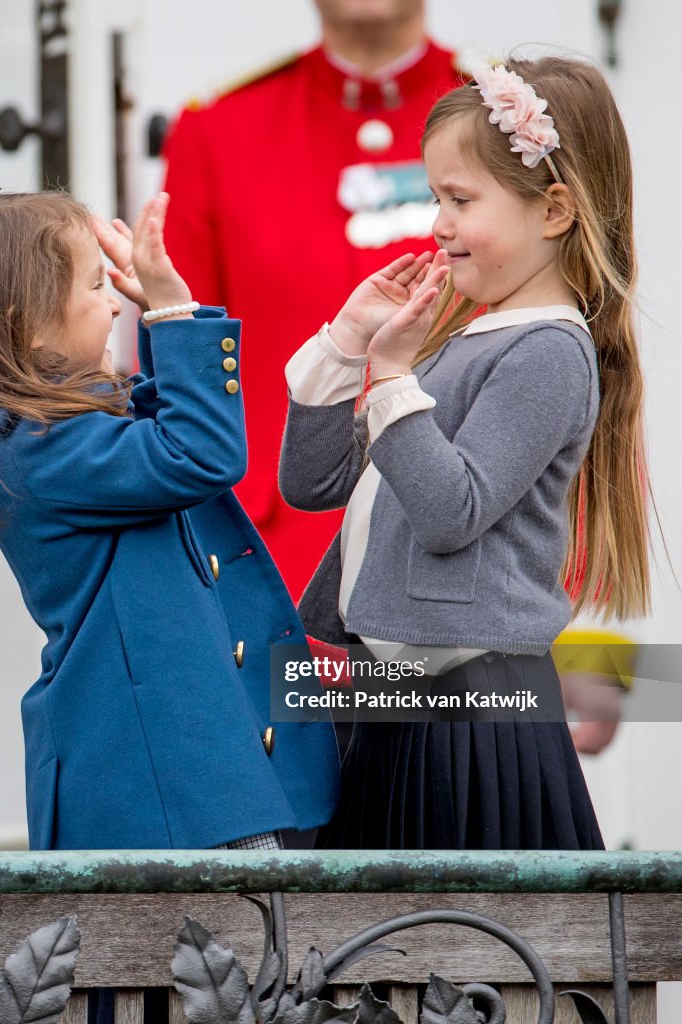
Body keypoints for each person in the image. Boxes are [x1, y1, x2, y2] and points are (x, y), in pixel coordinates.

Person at [0, 183, 339, 850]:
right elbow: (199, 452)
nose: (116, 302)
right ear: (23, 319)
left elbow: (168, 424)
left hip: (200, 773)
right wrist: (171, 313)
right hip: (174, 785)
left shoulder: (57, 432)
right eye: (94, 286)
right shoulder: (34, 445)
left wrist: (176, 317)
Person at [278, 56, 652, 849]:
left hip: (472, 712)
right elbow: (313, 484)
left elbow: (453, 513)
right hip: (398, 696)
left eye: (460, 199)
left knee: (452, 953)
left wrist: (390, 378)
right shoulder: (458, 343)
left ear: (553, 210)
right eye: (435, 196)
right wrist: (349, 346)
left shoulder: (550, 352)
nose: (438, 223)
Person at [162, 0, 461, 600]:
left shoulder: (508, 115)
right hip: (274, 559)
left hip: (478, 532)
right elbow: (176, 363)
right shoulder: (218, 130)